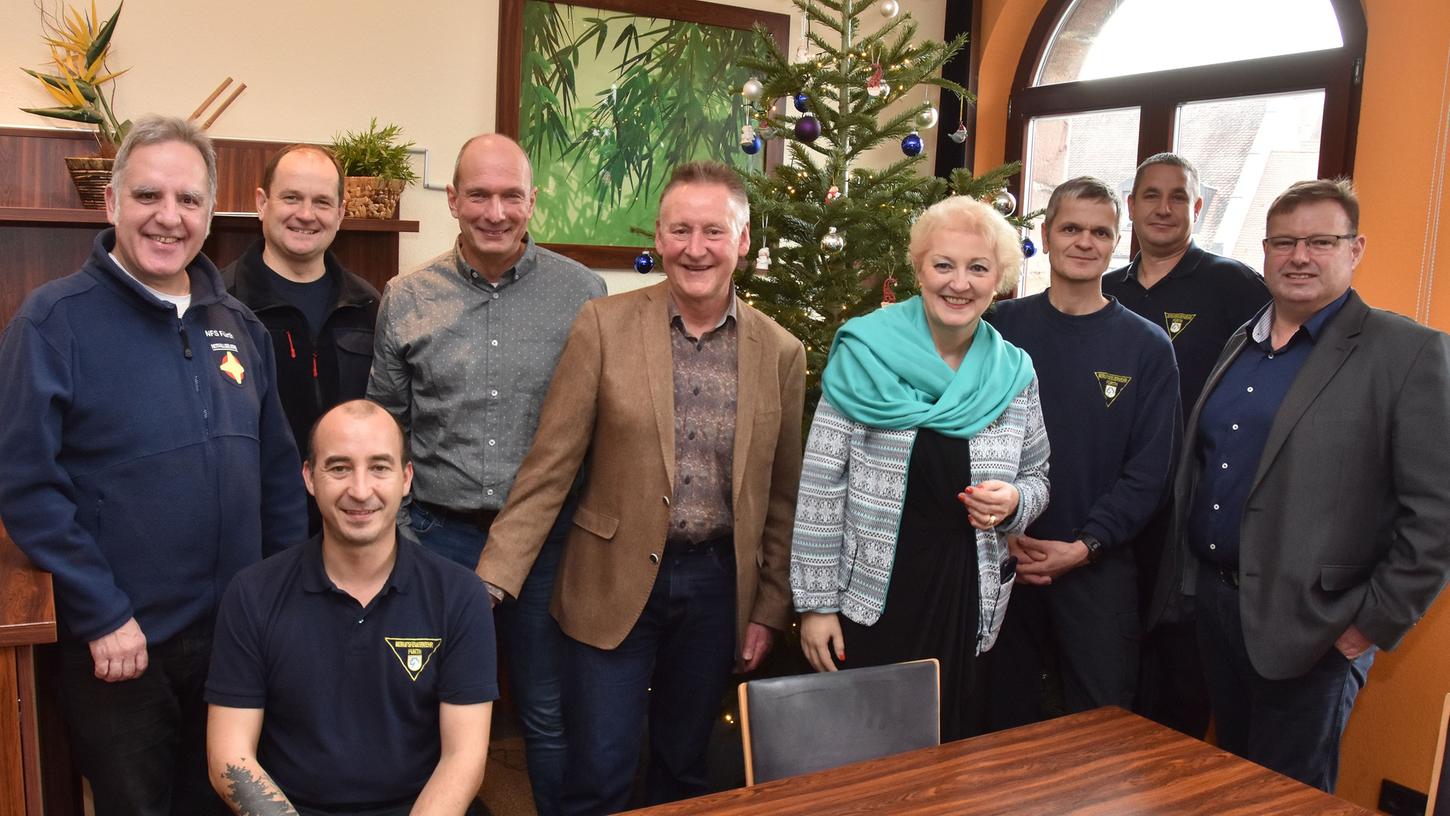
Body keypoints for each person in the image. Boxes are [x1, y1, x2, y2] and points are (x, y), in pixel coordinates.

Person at [476, 160, 805, 813]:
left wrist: (769, 607)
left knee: (685, 768)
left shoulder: (781, 352)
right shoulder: (603, 325)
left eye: (714, 231)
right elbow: (551, 465)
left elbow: (782, 499)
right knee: (598, 770)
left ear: (743, 241)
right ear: (659, 235)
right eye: (680, 230)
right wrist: (491, 577)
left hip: (716, 591)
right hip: (610, 580)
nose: (695, 248)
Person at [0, 115, 306, 815]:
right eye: (147, 197)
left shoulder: (241, 327)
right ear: (111, 203)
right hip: (121, 647)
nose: (168, 218)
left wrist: (283, 607)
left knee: (226, 802)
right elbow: (26, 487)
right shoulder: (51, 324)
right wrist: (103, 613)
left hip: (234, 643)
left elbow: (278, 483)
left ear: (210, 214)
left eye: (188, 200)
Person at [1150, 178, 1450, 792]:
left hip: (1315, 630)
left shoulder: (1409, 354)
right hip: (1219, 611)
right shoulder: (1245, 341)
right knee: (1233, 782)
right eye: (1284, 242)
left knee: (1286, 797)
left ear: (1355, 248)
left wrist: (1370, 623)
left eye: (1320, 241)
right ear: (1264, 250)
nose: (1300, 256)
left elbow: (1438, 513)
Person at [368, 133, 604, 815]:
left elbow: (596, 426)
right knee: (419, 699)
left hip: (545, 546)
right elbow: (388, 426)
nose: (495, 210)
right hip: (436, 539)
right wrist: (401, 537)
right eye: (479, 194)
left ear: (532, 201)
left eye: (510, 195)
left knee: (547, 708)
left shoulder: (581, 294)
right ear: (453, 200)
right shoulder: (406, 297)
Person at [790, 195, 1050, 741]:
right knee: (866, 755)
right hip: (872, 596)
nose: (960, 283)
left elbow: (1039, 477)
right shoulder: (865, 350)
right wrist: (815, 606)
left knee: (952, 758)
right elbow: (820, 485)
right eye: (944, 265)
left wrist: (1015, 504)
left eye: (978, 268)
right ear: (918, 268)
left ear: (998, 278)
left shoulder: (1014, 371)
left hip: (969, 596)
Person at [206, 400, 497, 816]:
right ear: (309, 477)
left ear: (406, 478)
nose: (360, 491)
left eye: (379, 467)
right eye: (339, 468)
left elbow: (463, 760)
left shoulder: (459, 594)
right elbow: (229, 757)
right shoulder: (252, 593)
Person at [983, 176, 1179, 728]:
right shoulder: (999, 329)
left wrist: (1085, 545)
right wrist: (1005, 530)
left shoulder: (1146, 347)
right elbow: (966, 441)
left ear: (1120, 242)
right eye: (1071, 228)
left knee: (1101, 735)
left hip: (1098, 566)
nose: (1084, 242)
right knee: (996, 730)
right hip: (1003, 560)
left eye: (1100, 231)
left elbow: (1151, 472)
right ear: (1045, 236)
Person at [1102, 153, 1269, 737]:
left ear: (1197, 208)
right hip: (1115, 505)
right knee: (1119, 660)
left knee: (1181, 671)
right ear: (1132, 208)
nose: (1164, 208)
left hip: (1193, 508)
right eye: (1151, 195)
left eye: (1178, 196)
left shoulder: (1234, 286)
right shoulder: (1106, 290)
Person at [222, 144, 380, 533]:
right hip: (252, 526)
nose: (306, 215)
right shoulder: (221, 305)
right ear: (262, 203)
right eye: (291, 197)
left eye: (322, 202)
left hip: (348, 522)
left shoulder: (367, 306)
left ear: (341, 214)